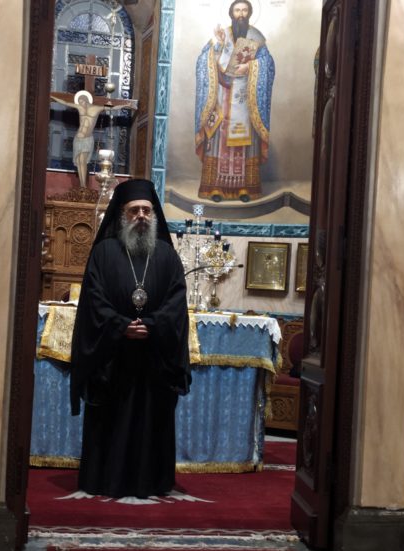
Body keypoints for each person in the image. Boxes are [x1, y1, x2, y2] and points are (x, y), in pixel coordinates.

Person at [70, 178, 191, 499]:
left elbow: (177, 302)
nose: (141, 216)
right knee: (112, 418)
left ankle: (152, 481)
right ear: (121, 214)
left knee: (151, 419)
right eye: (134, 210)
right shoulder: (103, 253)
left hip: (154, 358)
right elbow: (93, 299)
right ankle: (104, 479)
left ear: (154, 215)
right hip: (113, 357)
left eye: (146, 211)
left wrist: (152, 324)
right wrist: (121, 325)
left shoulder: (167, 255)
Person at [195, 0, 275, 202]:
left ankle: (245, 188)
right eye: (237, 10)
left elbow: (268, 64)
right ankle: (215, 187)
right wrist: (219, 44)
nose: (241, 14)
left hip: (246, 100)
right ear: (231, 13)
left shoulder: (256, 38)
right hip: (222, 98)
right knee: (218, 140)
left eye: (245, 10)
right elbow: (203, 61)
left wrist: (251, 67)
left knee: (245, 144)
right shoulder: (222, 35)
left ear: (250, 13)